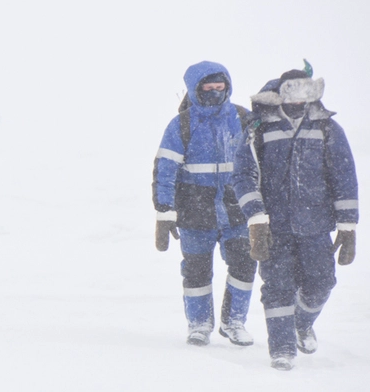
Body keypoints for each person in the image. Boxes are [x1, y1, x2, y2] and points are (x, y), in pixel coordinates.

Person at [232, 67, 358, 371]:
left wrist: (348, 224)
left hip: (316, 226)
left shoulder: (328, 128)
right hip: (274, 228)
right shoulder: (259, 128)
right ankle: (282, 348)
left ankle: (302, 324)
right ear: (280, 93)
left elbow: (344, 176)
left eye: (306, 90)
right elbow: (243, 176)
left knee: (321, 282)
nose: (299, 98)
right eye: (292, 91)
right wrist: (256, 218)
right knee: (277, 286)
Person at [152, 61, 257, 346]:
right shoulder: (182, 124)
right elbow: (165, 169)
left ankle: (234, 321)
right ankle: (199, 325)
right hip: (194, 212)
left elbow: (262, 163)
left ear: (227, 86)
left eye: (219, 86)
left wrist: (261, 209)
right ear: (195, 89)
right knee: (197, 271)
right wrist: (164, 212)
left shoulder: (242, 117)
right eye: (207, 87)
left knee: (244, 266)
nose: (214, 92)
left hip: (236, 209)